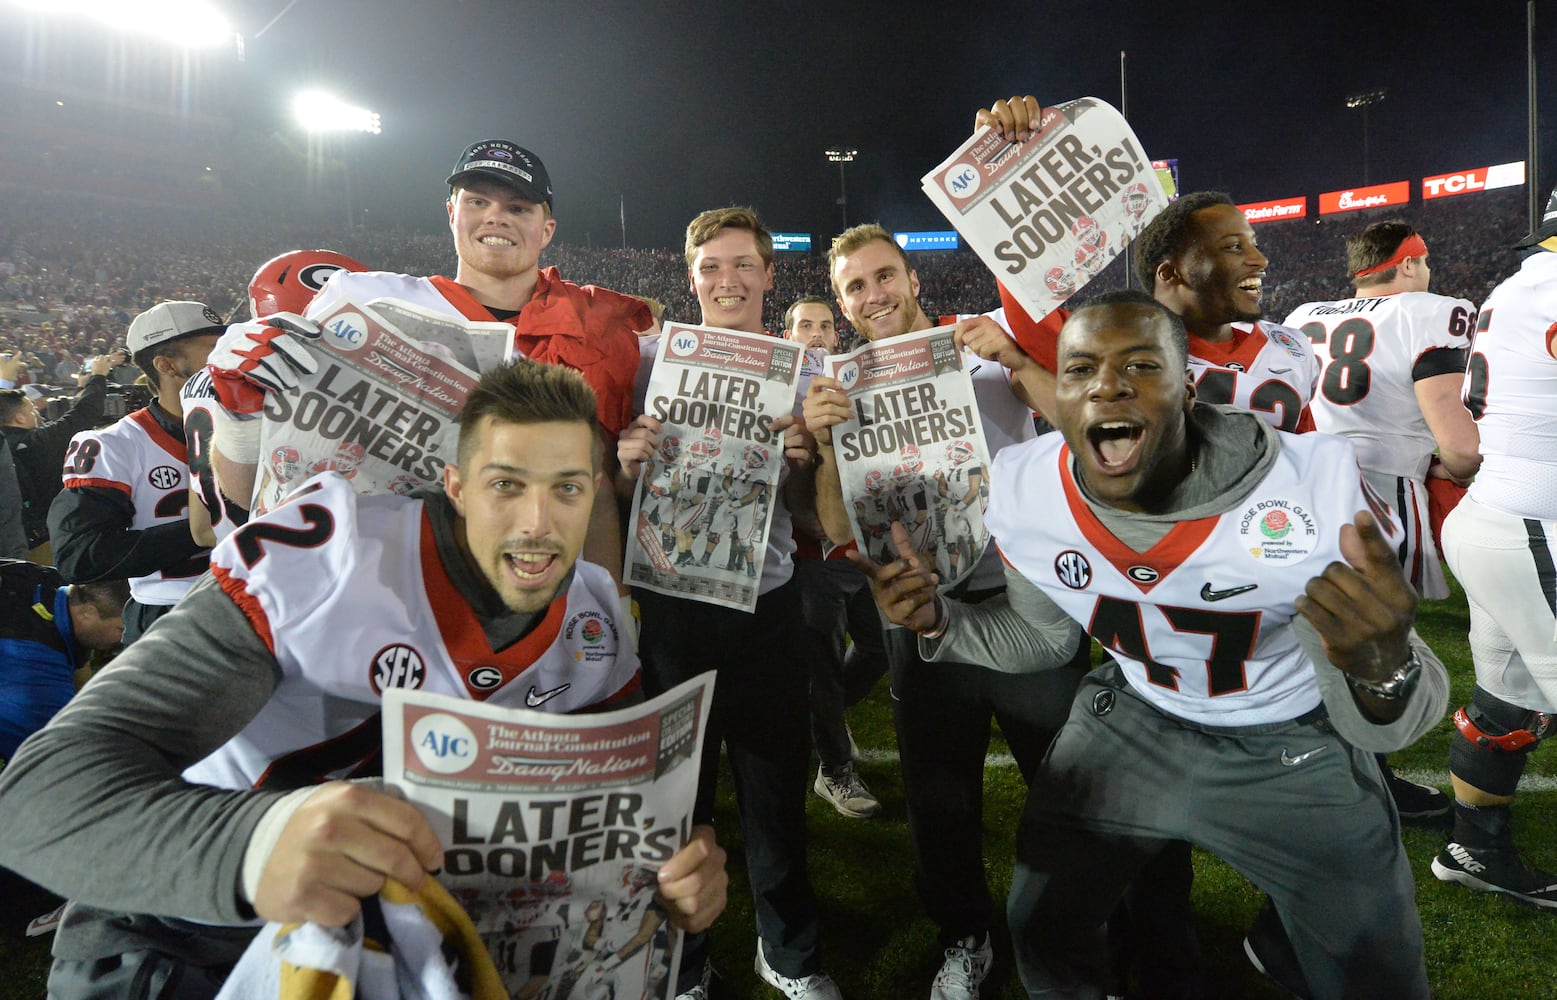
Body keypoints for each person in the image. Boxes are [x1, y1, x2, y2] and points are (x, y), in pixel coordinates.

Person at [0, 359, 728, 998]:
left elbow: (617, 824)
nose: (538, 522)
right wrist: (252, 846)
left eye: (566, 489)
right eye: (508, 484)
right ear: (456, 484)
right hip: (196, 936)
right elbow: (37, 797)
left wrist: (673, 884)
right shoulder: (329, 558)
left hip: (417, 942)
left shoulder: (593, 615)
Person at [858, 290, 1447, 999]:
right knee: (1042, 925)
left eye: (1141, 365)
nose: (1106, 384)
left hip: (1289, 742)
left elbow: (1385, 722)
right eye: (1079, 369)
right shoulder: (1023, 489)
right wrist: (940, 623)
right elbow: (1042, 639)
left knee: (1375, 976)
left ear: (1188, 389)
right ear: (1058, 392)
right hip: (1136, 722)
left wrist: (1384, 669)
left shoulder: (1311, 487)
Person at [803, 222, 1086, 1000]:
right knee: (939, 799)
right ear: (841, 299)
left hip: (1028, 603)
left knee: (1065, 786)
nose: (873, 294)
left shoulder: (973, 347)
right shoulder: (838, 383)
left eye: (883, 276)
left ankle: (1078, 931)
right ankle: (964, 936)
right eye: (855, 285)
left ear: (912, 279)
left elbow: (1076, 424)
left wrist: (1017, 359)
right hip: (918, 610)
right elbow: (833, 528)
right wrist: (827, 446)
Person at [208, 140, 651, 589]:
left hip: (511, 599)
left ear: (547, 229)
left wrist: (605, 617)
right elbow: (253, 498)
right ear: (451, 213)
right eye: (478, 201)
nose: (496, 216)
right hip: (350, 587)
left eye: (518, 208)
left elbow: (596, 500)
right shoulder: (363, 300)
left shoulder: (597, 329)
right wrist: (237, 421)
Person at [618, 207, 836, 1000]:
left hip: (767, 603)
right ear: (690, 276)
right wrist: (623, 459)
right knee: (678, 801)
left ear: (769, 275)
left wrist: (805, 464)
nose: (727, 280)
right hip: (671, 605)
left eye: (743, 265)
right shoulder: (649, 358)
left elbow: (814, 518)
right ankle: (682, 961)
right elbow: (610, 489)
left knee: (776, 796)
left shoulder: (803, 370)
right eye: (711, 266)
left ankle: (790, 951)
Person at [1432, 186, 1557, 908]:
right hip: (1531, 529)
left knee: (1504, 702)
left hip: (1496, 520)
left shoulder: (1516, 285)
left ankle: (1473, 850)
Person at [1283, 220, 1481, 600]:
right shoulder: (1428, 311)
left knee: (1324, 607)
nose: (1427, 271)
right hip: (1386, 489)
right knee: (1387, 623)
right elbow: (1462, 449)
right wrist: (1454, 469)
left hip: (1309, 485)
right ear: (1407, 264)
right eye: (1424, 262)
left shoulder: (1302, 315)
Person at [47, 301, 220, 643]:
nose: (231, 358)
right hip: (170, 616)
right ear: (166, 365)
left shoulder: (256, 426)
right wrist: (207, 529)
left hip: (259, 603)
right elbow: (79, 555)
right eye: (214, 350)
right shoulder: (115, 445)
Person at [184, 249, 367, 547]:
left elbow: (209, 519)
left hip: (240, 542)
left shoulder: (220, 370)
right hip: (294, 544)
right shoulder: (251, 374)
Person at [783, 295, 885, 820]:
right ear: (788, 335)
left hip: (859, 543)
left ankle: (828, 716)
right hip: (808, 552)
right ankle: (834, 769)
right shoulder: (775, 390)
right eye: (805, 326)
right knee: (821, 662)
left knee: (879, 647)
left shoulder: (853, 382)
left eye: (825, 325)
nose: (817, 334)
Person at [0, 348, 119, 561]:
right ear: (18, 418)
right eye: (31, 411)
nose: (37, 414)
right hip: (40, 544)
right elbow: (83, 413)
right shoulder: (35, 443)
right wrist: (99, 376)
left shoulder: (8, 444)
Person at [0, 560, 126, 760]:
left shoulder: (45, 580)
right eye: (121, 629)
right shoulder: (37, 677)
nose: (123, 639)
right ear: (87, 613)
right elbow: (64, 758)